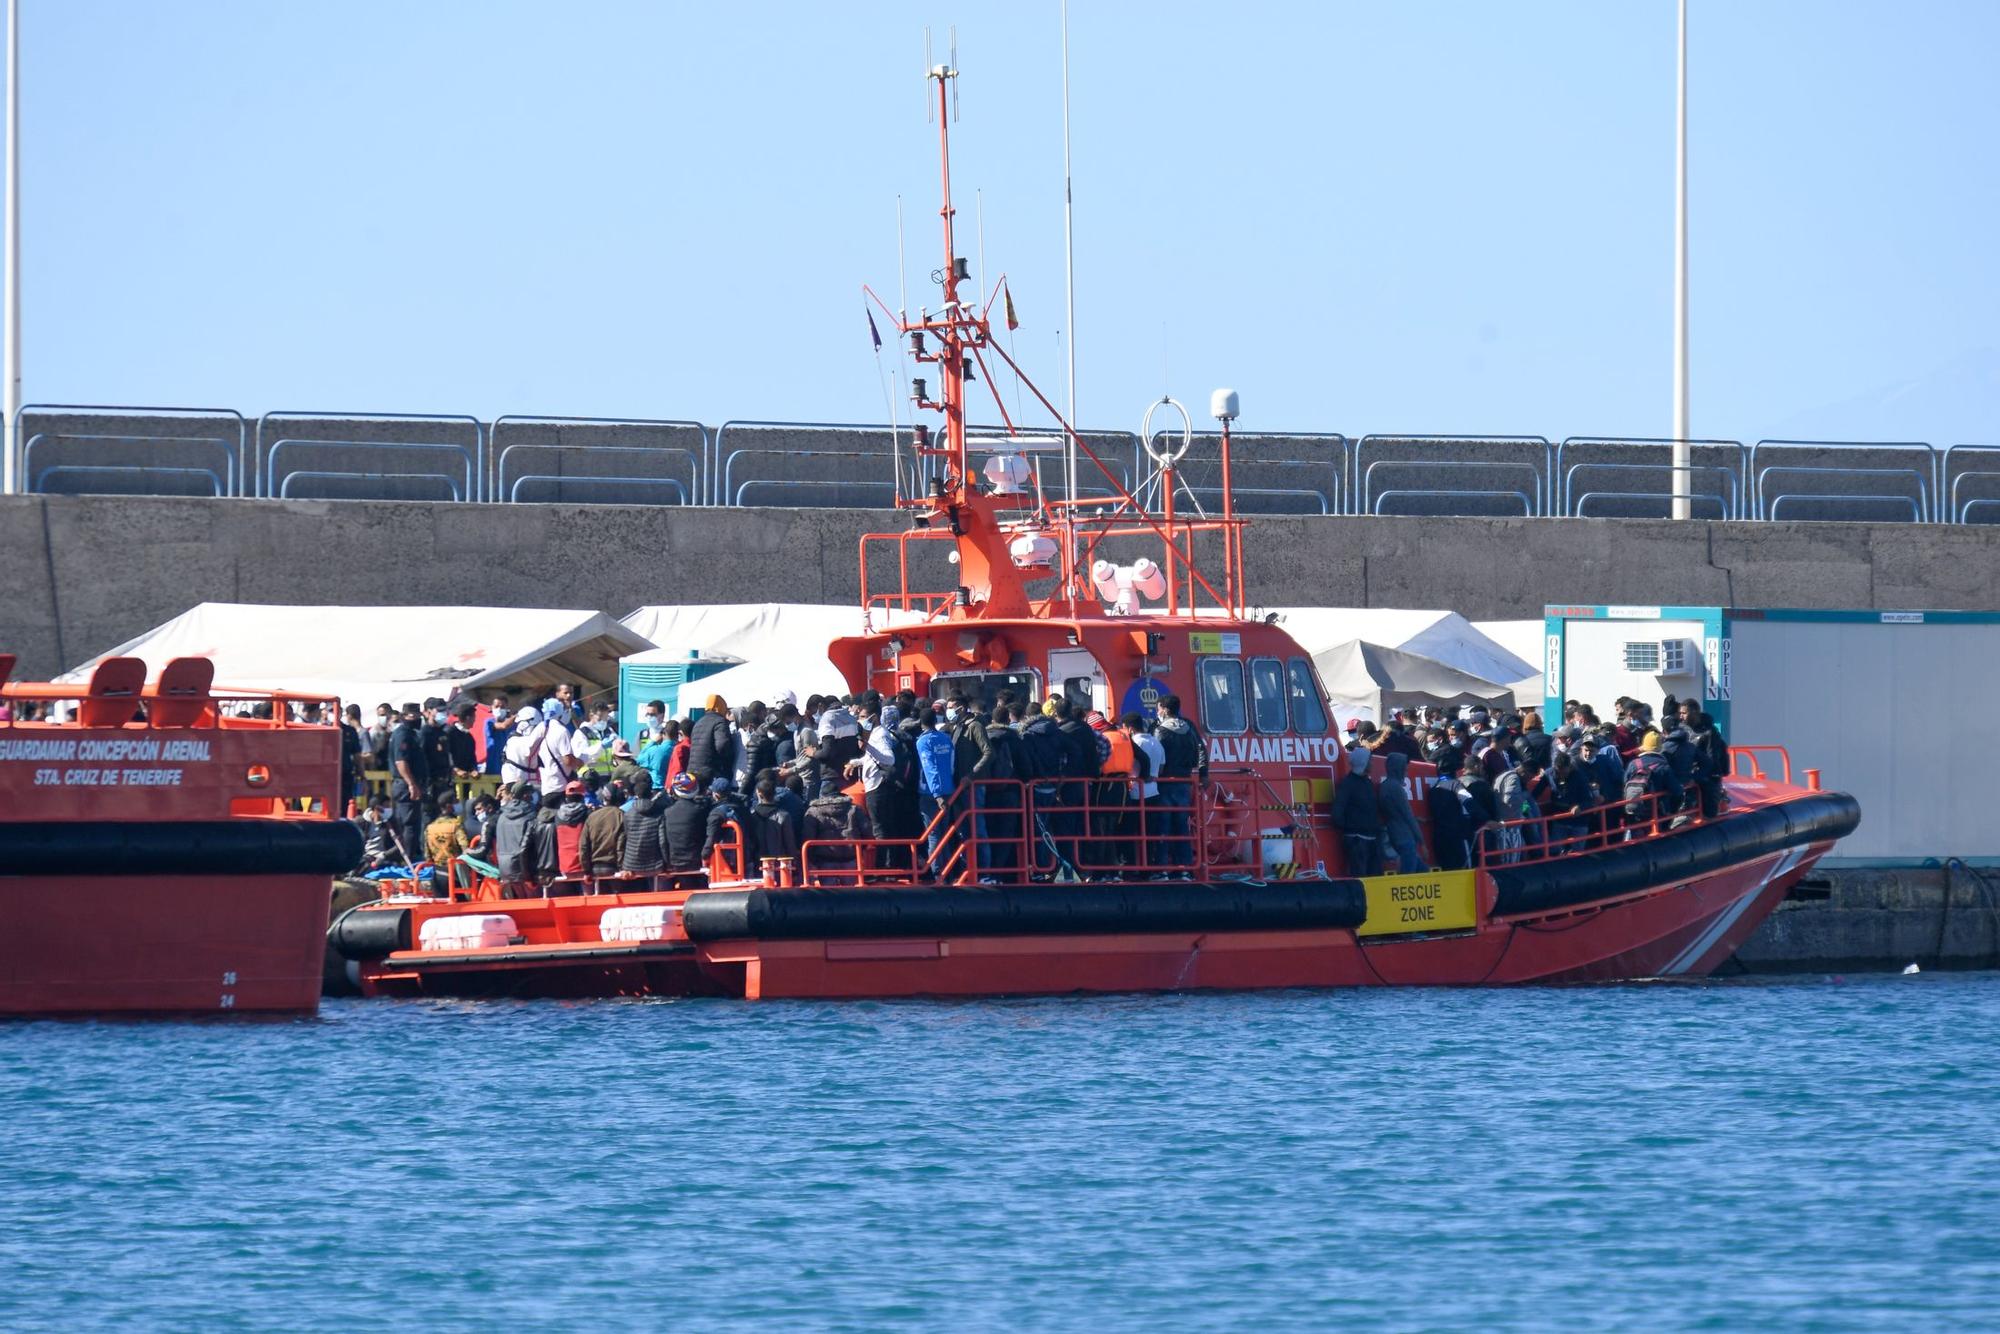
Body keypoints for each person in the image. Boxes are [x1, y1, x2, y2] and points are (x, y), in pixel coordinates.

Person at [1152, 693, 1206, 873]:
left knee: (1163, 826)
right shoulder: (1189, 726)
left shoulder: (1159, 729)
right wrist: (1204, 774)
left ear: (1165, 709)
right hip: (1184, 782)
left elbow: (1157, 755)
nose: (1157, 711)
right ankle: (1185, 868)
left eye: (1158, 708)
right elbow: (1201, 750)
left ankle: (1161, 869)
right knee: (1182, 826)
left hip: (1164, 783)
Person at [386, 701, 429, 869]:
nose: (417, 718)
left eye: (419, 715)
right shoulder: (402, 734)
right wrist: (411, 784)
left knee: (414, 823)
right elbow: (400, 761)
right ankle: (408, 861)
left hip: (411, 783)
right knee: (408, 823)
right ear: (405, 716)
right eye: (414, 715)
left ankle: (411, 857)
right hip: (405, 785)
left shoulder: (412, 733)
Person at [1332, 746, 1385, 876]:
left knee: (1376, 876)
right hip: (1357, 840)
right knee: (1360, 875)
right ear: (1363, 763)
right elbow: (1337, 812)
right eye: (1369, 761)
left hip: (1371, 838)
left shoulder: (1367, 782)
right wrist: (1352, 828)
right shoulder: (1348, 784)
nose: (1372, 763)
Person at [916, 708, 957, 874]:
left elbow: (929, 767)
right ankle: (947, 871)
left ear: (921, 722)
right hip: (949, 789)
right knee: (944, 832)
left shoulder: (923, 742)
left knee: (933, 833)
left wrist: (937, 793)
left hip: (930, 793)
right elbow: (952, 764)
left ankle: (937, 873)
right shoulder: (946, 739)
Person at [1426, 754, 1480, 872]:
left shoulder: (1433, 790)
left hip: (1439, 838)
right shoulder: (1455, 784)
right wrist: (1484, 819)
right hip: (1458, 838)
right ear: (1454, 771)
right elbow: (1468, 801)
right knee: (1467, 870)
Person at [1125, 714, 1165, 874]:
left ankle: (1131, 869)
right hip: (1154, 792)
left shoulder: (1134, 743)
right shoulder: (1157, 742)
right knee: (1150, 834)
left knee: (1129, 834)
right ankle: (1150, 869)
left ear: (1129, 728)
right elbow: (1161, 768)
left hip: (1135, 793)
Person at [490, 783, 542, 897]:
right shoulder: (530, 815)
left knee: (522, 903)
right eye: (530, 794)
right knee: (535, 905)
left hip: (505, 869)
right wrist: (529, 875)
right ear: (525, 795)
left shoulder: (502, 816)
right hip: (524, 869)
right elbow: (527, 847)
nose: (533, 797)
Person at [1379, 751, 1425, 873]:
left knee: (1421, 871)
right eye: (1404, 769)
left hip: (1395, 833)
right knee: (1409, 874)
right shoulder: (1395, 788)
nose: (1406, 772)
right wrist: (1422, 841)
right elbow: (1408, 815)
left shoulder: (1385, 786)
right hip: (1405, 837)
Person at [703, 777, 756, 877]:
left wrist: (705, 856)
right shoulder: (743, 809)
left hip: (726, 861)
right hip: (746, 857)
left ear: (716, 795)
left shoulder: (716, 813)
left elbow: (711, 837)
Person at [661, 773, 711, 879]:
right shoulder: (701, 811)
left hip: (675, 863)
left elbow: (663, 841)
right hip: (697, 862)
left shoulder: (667, 812)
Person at [752, 776, 802, 870]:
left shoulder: (752, 815)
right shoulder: (784, 815)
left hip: (757, 863)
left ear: (758, 793)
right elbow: (789, 842)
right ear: (774, 793)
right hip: (779, 864)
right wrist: (794, 860)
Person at [688, 695, 734, 789]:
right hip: (710, 771)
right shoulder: (719, 722)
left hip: (692, 770)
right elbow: (722, 745)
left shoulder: (698, 722)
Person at [1690, 711, 1729, 818]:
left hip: (1707, 774)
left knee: (1708, 801)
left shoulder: (1704, 736)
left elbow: (1711, 756)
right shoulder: (1716, 737)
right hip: (1712, 774)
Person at [425, 792, 466, 868]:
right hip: (455, 871)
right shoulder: (456, 825)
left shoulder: (430, 827)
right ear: (449, 806)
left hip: (437, 871)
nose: (459, 804)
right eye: (456, 802)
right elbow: (465, 848)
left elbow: (427, 855)